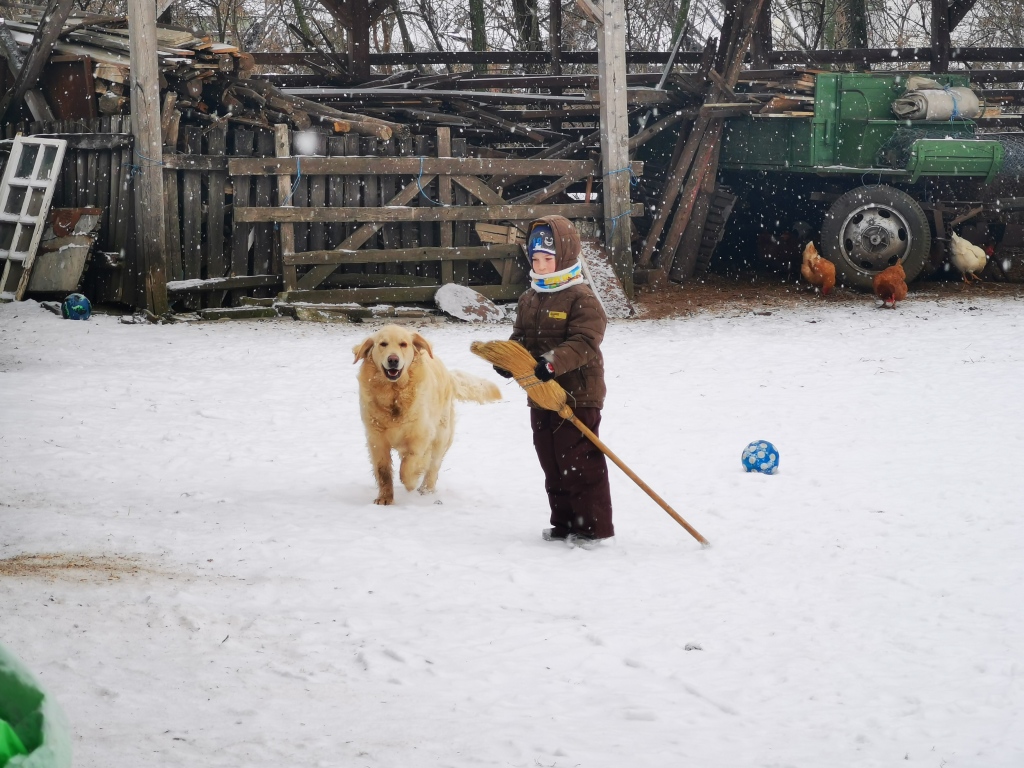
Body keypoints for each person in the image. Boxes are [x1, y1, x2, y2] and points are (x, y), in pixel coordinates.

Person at [495, 215, 614, 545]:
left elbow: (585, 342)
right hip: (542, 394)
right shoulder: (529, 298)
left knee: (579, 462)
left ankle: (591, 528)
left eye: (548, 259)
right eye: (536, 260)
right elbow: (520, 337)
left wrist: (552, 362)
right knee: (551, 459)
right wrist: (508, 359)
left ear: (564, 257)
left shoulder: (582, 298)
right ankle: (564, 523)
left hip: (578, 394)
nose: (542, 266)